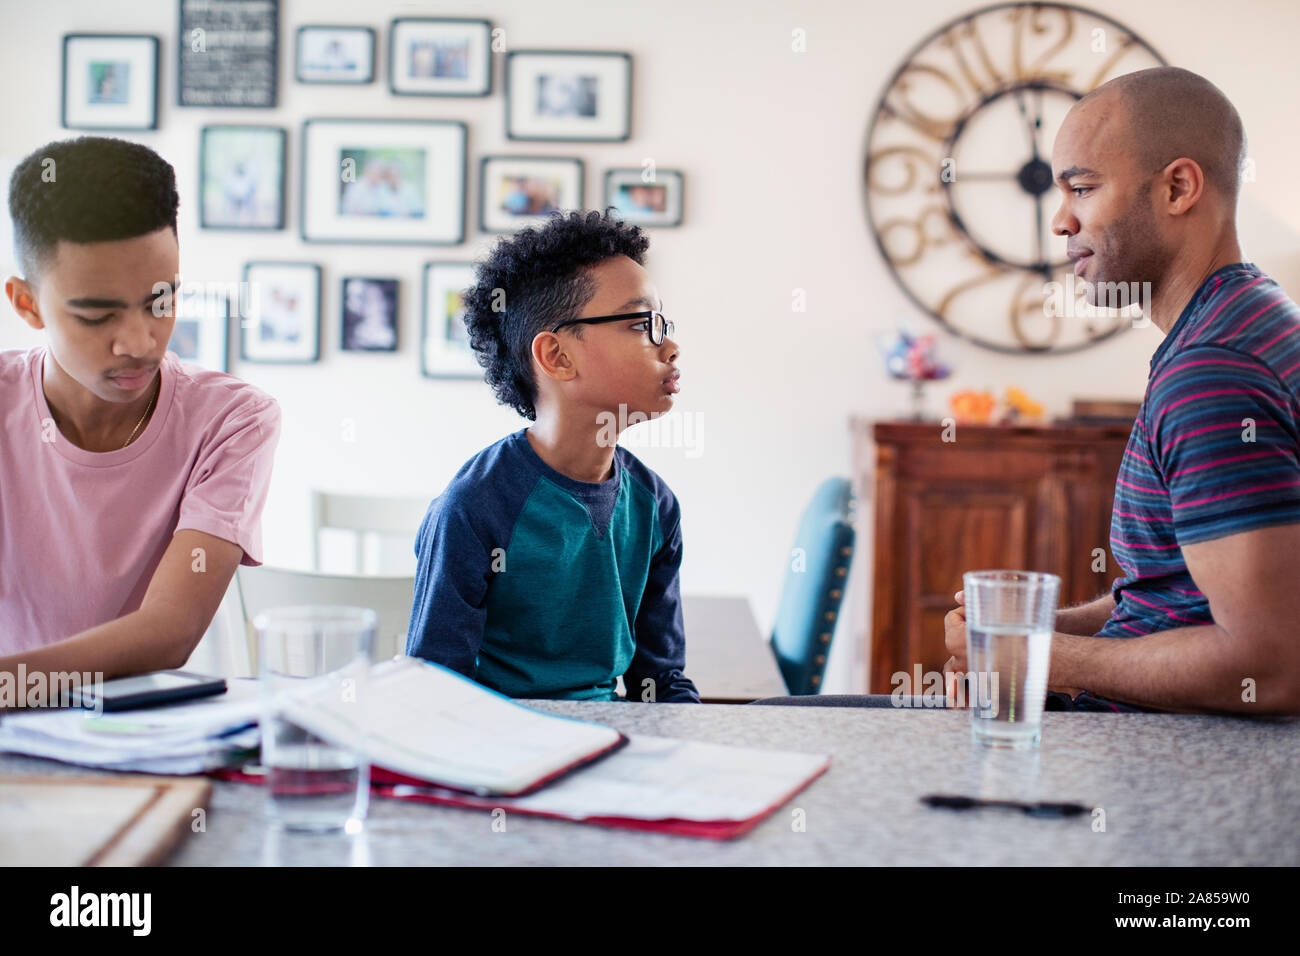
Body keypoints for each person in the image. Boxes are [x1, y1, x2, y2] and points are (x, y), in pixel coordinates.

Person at [944, 67, 1300, 715]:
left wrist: (1031, 654)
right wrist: (1032, 629)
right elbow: (1172, 595)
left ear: (1179, 188)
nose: (1059, 221)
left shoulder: (1213, 369)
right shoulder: (1234, 322)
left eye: (1082, 188)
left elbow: (1270, 666)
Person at [0, 136, 281, 693]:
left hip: (159, 739)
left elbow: (168, 632)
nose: (137, 343)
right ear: (27, 303)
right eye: (98, 316)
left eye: (160, 302)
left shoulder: (233, 420)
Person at [406, 210, 698, 703]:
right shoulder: (473, 508)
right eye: (641, 324)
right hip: (500, 753)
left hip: (616, 750)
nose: (670, 347)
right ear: (558, 357)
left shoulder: (655, 504)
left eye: (662, 323)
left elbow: (660, 682)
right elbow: (434, 693)